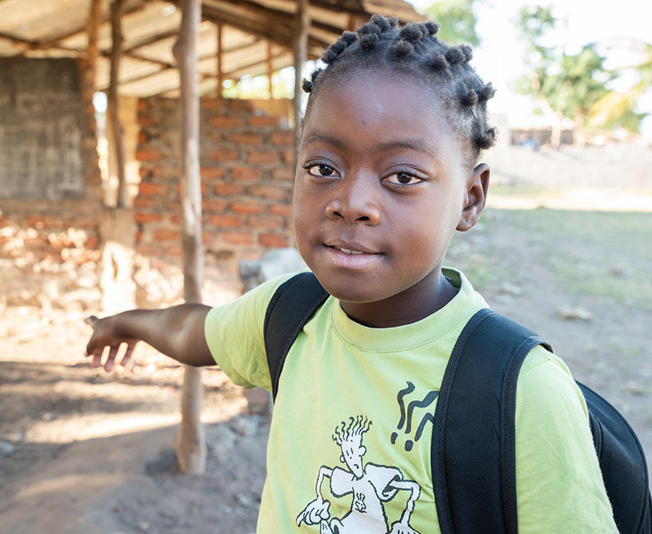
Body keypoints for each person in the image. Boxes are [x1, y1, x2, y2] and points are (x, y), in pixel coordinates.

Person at [84, 15, 618, 533]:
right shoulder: (290, 313)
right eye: (323, 168)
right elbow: (193, 331)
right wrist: (123, 323)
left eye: (403, 175)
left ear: (470, 198)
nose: (352, 203)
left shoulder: (518, 390)